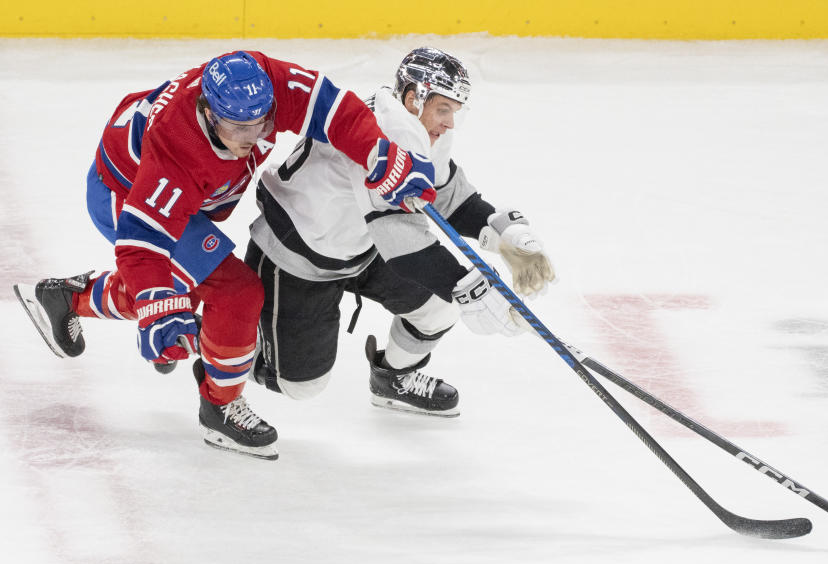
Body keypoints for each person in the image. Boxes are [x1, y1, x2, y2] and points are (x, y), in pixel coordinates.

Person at [13, 51, 437, 460]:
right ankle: (220, 406)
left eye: (262, 123)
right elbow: (143, 245)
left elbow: (332, 108)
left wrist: (382, 157)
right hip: (126, 195)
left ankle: (68, 298)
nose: (253, 138)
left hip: (179, 196)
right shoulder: (175, 149)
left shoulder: (261, 81)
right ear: (209, 112)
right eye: (239, 128)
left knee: (191, 286)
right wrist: (159, 309)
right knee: (233, 294)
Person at [244, 47, 556, 417]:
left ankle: (392, 380)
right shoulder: (386, 134)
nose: (450, 123)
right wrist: (473, 289)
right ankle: (218, 339)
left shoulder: (415, 125)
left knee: (439, 308)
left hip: (361, 246)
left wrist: (503, 235)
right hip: (296, 255)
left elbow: (448, 195)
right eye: (444, 109)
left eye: (455, 111)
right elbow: (404, 244)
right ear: (414, 97)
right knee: (299, 386)